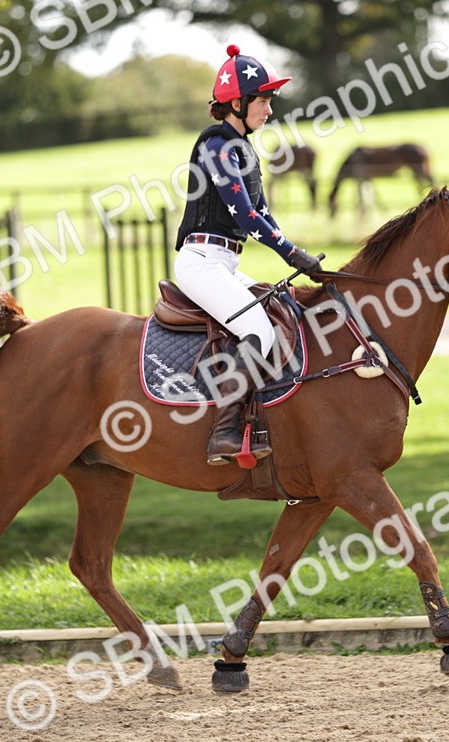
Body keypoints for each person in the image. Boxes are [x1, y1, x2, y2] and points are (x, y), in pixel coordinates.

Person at [174, 44, 323, 466]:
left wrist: (297, 254)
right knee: (258, 331)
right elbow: (246, 213)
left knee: (282, 312)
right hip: (201, 263)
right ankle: (223, 434)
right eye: (263, 100)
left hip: (224, 262)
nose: (269, 109)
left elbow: (264, 212)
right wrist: (293, 255)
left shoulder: (242, 148)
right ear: (236, 103)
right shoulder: (217, 147)